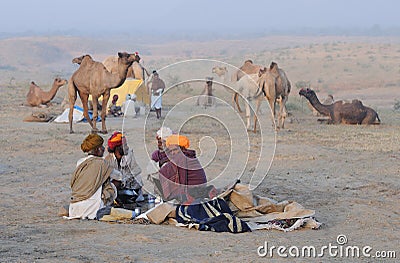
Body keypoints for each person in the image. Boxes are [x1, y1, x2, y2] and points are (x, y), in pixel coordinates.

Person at [68, 134, 116, 219]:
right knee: (112, 184)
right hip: (91, 209)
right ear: (97, 149)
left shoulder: (80, 162)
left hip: (74, 209)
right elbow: (119, 176)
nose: (104, 149)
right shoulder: (102, 163)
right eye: (101, 147)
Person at [158, 134, 207, 202]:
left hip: (194, 189)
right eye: (170, 151)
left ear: (181, 148)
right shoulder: (189, 156)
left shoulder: (183, 157)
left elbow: (164, 171)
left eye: (175, 149)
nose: (173, 153)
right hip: (199, 188)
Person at [104, 131, 144, 203]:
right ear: (117, 148)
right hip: (116, 190)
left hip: (130, 187)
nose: (127, 147)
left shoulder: (129, 155)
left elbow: (136, 171)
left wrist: (122, 180)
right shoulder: (107, 160)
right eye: (124, 145)